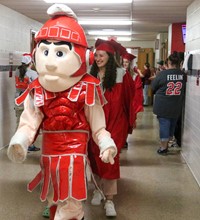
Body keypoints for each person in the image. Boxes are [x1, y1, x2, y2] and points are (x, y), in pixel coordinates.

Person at [7, 4, 117, 220]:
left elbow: (98, 124)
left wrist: (106, 143)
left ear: (84, 58)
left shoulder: (87, 86)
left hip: (75, 152)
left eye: (59, 52)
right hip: (48, 151)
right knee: (53, 196)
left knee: (71, 201)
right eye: (45, 51)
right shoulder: (37, 87)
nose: (49, 61)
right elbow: (30, 120)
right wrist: (20, 139)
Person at [88, 39, 135, 217]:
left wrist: (126, 124)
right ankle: (97, 190)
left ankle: (109, 200)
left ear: (109, 56)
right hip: (94, 123)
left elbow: (128, 100)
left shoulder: (121, 75)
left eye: (101, 55)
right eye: (96, 55)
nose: (98, 58)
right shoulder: (89, 75)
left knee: (109, 159)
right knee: (94, 157)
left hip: (115, 123)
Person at [151, 52, 186, 155]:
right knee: (172, 125)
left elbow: (153, 87)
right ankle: (168, 142)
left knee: (164, 125)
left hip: (163, 105)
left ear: (169, 62)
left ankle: (163, 147)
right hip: (176, 105)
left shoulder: (162, 74)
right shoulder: (182, 75)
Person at [14, 53, 40, 152]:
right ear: (31, 62)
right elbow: (37, 87)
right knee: (29, 124)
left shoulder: (17, 71)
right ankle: (28, 145)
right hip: (29, 102)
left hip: (18, 100)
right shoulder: (33, 74)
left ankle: (17, 146)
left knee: (19, 123)